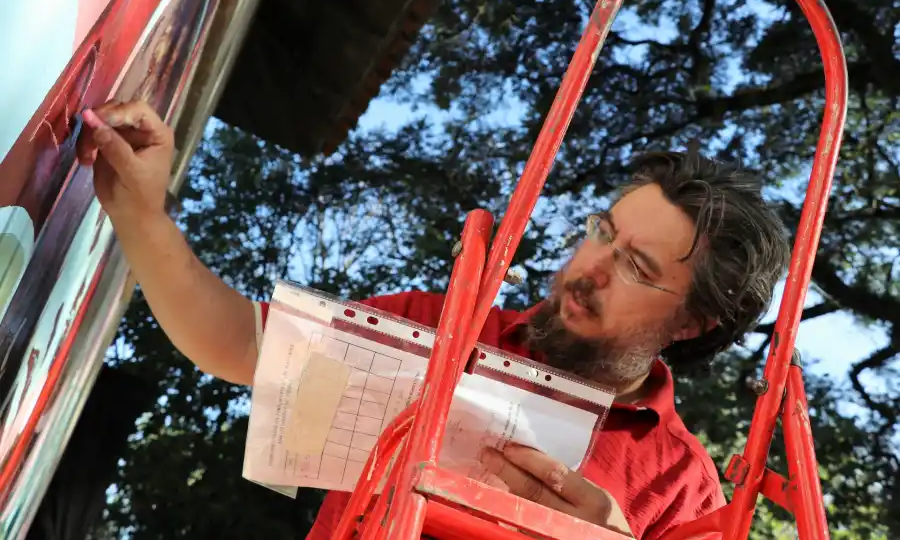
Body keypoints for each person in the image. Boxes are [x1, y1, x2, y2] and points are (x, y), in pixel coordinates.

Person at [77, 100, 792, 539]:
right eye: (601, 231)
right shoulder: (443, 323)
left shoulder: (684, 483)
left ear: (695, 324)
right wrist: (140, 212)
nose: (590, 267)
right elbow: (240, 343)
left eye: (638, 268)